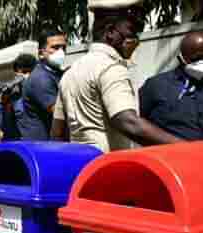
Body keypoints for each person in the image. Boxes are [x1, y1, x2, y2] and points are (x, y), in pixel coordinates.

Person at [51, 0, 181, 152]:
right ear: (110, 32)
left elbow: (57, 133)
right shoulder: (111, 68)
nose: (135, 39)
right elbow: (129, 122)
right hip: (109, 167)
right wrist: (186, 148)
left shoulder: (71, 72)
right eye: (131, 31)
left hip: (81, 168)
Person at [139, 31, 203, 141]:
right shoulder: (156, 85)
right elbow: (140, 125)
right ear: (182, 57)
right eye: (196, 58)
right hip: (172, 154)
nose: (201, 63)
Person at [21, 28, 67, 141]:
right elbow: (60, 112)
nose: (61, 52)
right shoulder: (40, 78)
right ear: (41, 53)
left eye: (63, 47)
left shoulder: (55, 73)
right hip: (44, 148)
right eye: (55, 48)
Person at [0, 53, 36, 142]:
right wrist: (4, 102)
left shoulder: (39, 90)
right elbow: (4, 126)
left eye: (26, 72)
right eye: (19, 73)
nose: (22, 77)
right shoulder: (14, 96)